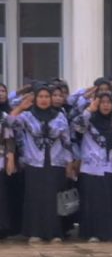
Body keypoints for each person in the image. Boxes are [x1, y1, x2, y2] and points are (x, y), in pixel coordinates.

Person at [12, 84, 75, 242]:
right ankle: (35, 232)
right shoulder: (27, 116)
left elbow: (66, 140)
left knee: (54, 198)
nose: (44, 100)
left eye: (47, 97)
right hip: (34, 162)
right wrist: (20, 108)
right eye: (40, 97)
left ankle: (55, 232)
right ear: (35, 98)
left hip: (56, 162)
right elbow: (8, 124)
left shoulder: (59, 116)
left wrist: (69, 164)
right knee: (35, 198)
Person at [72, 84, 112, 242]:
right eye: (102, 102)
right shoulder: (89, 120)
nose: (106, 105)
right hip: (93, 168)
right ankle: (94, 233)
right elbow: (77, 128)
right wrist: (89, 110)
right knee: (95, 202)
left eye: (109, 102)